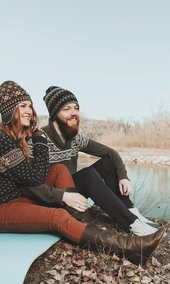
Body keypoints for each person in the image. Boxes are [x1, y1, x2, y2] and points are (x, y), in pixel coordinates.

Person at [0, 81, 166, 265]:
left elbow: (35, 176)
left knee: (59, 169)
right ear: (9, 109)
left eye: (30, 106)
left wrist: (37, 137)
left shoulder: (16, 136)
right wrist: (40, 140)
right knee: (56, 217)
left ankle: (79, 220)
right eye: (22, 106)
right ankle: (131, 249)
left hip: (17, 197)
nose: (29, 111)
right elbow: (32, 179)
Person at [23, 86, 160, 237]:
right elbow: (30, 183)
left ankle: (132, 212)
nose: (74, 113)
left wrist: (123, 176)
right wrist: (60, 196)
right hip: (53, 199)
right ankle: (133, 225)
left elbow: (110, 153)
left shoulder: (75, 139)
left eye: (76, 108)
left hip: (72, 190)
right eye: (67, 109)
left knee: (107, 162)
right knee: (88, 174)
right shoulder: (39, 140)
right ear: (54, 114)